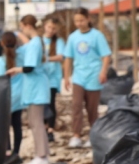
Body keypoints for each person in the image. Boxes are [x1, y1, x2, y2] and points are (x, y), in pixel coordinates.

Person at [64, 8, 111, 148]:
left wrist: (103, 72)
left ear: (88, 19)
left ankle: (93, 135)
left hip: (93, 75)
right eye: (76, 21)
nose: (79, 23)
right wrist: (67, 77)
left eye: (81, 20)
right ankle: (76, 135)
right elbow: (68, 58)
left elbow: (106, 56)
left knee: (92, 109)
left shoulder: (97, 36)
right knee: (76, 106)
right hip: (78, 76)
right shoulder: (73, 37)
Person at [17, 15, 51, 164]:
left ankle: (41, 155)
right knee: (35, 122)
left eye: (22, 27)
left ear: (27, 26)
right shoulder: (36, 42)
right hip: (36, 88)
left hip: (37, 89)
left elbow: (29, 67)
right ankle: (42, 154)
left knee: (36, 123)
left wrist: (15, 69)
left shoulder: (35, 44)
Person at [0, 31, 23, 164]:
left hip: (5, 98)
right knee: (17, 125)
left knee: (5, 127)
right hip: (19, 97)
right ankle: (17, 152)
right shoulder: (21, 58)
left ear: (1, 44)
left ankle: (7, 153)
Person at [42, 16, 67, 143]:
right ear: (44, 26)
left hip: (53, 78)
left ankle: (50, 129)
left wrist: (45, 59)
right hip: (41, 77)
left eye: (53, 28)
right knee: (42, 104)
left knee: (51, 103)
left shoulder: (59, 42)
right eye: (49, 27)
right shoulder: (40, 40)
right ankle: (44, 127)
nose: (51, 30)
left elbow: (61, 56)